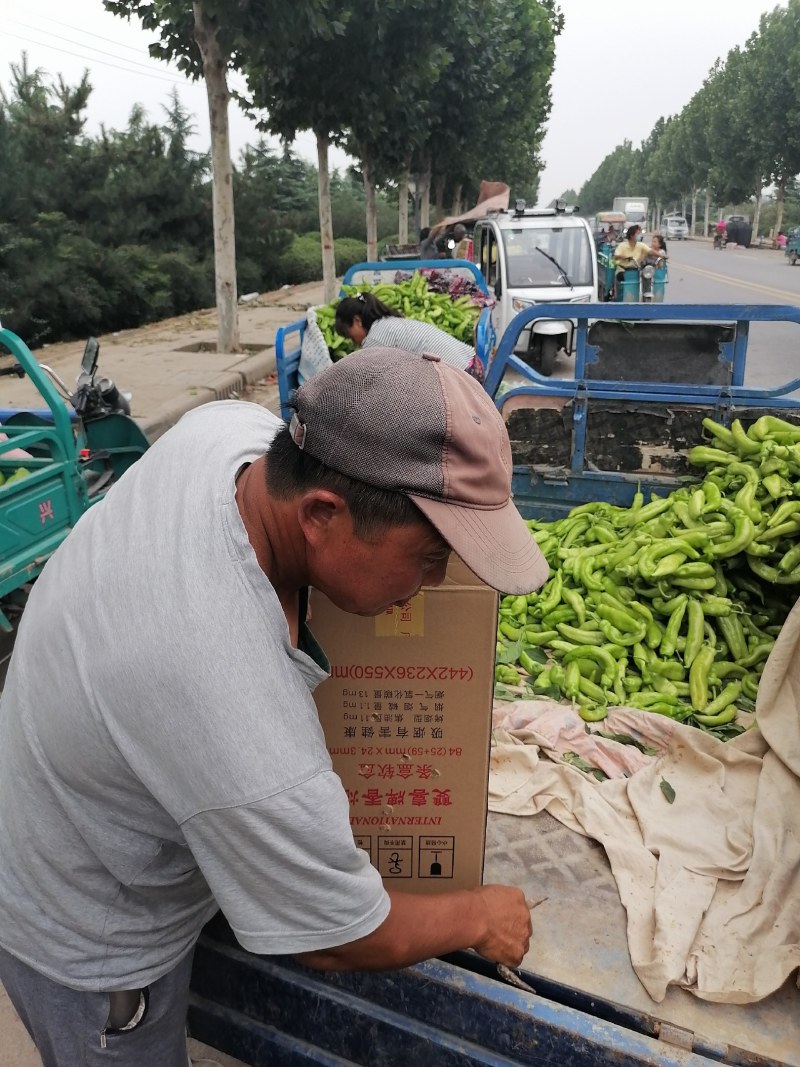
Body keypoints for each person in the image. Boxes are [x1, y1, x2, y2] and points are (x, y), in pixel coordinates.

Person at [0, 349, 547, 1067]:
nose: (435, 583)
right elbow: (338, 936)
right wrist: (481, 914)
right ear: (323, 512)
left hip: (56, 775)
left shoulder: (226, 434)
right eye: (427, 557)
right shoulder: (230, 697)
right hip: (84, 925)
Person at [335, 291, 485, 380]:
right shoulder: (389, 323)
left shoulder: (376, 337)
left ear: (357, 320)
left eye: (350, 335)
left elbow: (368, 379)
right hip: (473, 365)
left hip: (465, 379)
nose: (353, 342)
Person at [611, 224, 654, 298]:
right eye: (637, 234)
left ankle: (646, 294)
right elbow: (615, 256)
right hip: (623, 270)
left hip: (636, 269)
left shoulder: (641, 245)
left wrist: (662, 255)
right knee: (622, 283)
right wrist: (624, 257)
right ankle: (621, 301)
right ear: (632, 235)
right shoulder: (622, 245)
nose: (639, 235)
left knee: (647, 275)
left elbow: (650, 251)